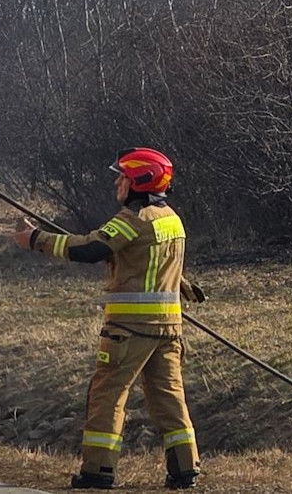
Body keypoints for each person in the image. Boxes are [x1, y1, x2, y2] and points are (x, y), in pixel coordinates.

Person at [14, 147, 201, 489]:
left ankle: (98, 471)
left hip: (129, 330)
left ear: (139, 181)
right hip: (168, 330)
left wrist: (35, 239)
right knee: (169, 397)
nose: (117, 183)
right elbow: (154, 263)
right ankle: (185, 469)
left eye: (123, 177)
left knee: (108, 396)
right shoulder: (172, 219)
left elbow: (89, 249)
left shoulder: (133, 219)